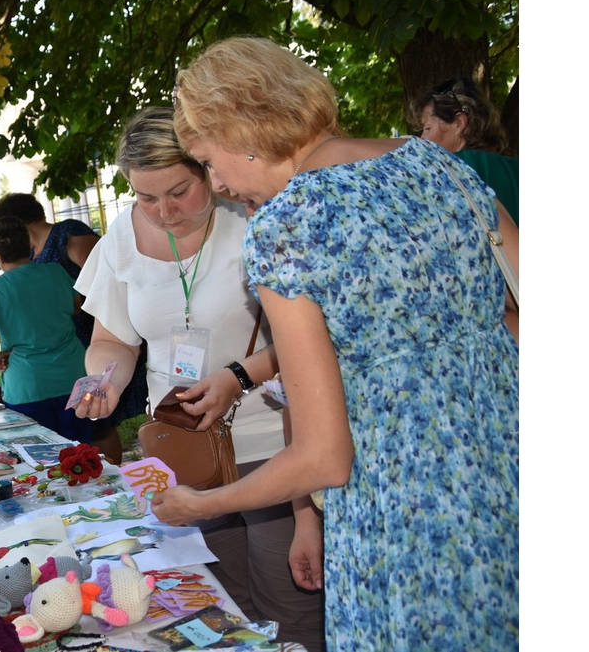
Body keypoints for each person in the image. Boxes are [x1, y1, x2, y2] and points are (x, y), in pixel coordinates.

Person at [156, 36, 518, 649]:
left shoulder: (287, 226)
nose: (215, 183)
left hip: (405, 521)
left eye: (210, 160)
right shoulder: (440, 164)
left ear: (244, 128)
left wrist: (200, 505)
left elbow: (323, 457)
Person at [70, 106, 325, 650]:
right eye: (145, 197)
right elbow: (111, 339)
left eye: (179, 191)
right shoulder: (121, 237)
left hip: (273, 440)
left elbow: (315, 336)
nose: (163, 211)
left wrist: (237, 376)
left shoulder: (254, 211)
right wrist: (106, 381)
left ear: (208, 168)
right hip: (183, 450)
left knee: (290, 605)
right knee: (217, 604)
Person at [0, 193, 148, 464]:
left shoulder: (68, 235)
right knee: (88, 422)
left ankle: (112, 476)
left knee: (101, 425)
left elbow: (108, 282)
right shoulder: (34, 252)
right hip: (74, 344)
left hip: (103, 338)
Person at [0, 216, 93, 443]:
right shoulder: (56, 272)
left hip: (27, 385)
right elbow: (76, 307)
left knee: (39, 458)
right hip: (74, 378)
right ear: (29, 246)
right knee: (83, 454)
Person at [410, 76, 519, 225]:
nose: (422, 138)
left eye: (427, 128)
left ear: (460, 123)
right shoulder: (515, 167)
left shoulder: (450, 169)